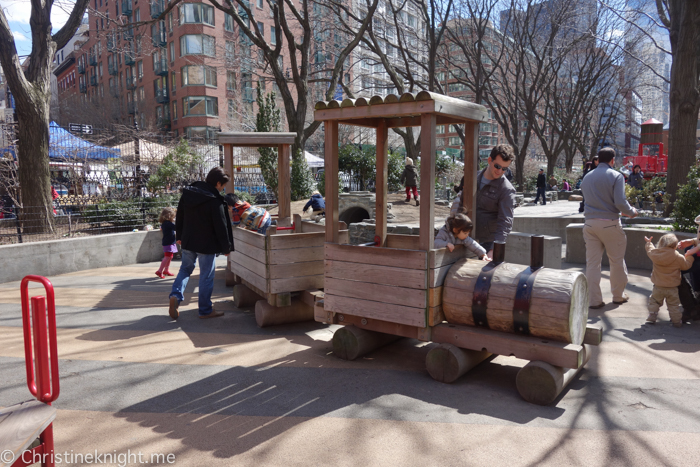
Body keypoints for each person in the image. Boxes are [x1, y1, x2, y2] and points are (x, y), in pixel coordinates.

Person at [168, 167, 234, 320]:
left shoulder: (189, 193)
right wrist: (226, 247)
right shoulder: (214, 200)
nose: (223, 189)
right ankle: (205, 310)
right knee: (206, 275)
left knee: (185, 270)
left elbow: (180, 215)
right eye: (223, 186)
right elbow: (221, 226)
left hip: (188, 240)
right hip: (206, 244)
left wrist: (179, 235)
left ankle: (175, 296)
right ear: (218, 183)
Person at [580, 147, 638, 309]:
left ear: (598, 159)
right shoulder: (616, 176)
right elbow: (620, 202)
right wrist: (632, 212)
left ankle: (594, 300)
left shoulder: (587, 177)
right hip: (610, 223)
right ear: (613, 160)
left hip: (590, 223)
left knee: (592, 264)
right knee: (616, 261)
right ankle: (618, 296)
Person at [451, 144, 517, 258]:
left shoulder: (506, 189)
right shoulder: (472, 178)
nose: (500, 171)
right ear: (489, 160)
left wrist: (494, 249)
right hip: (463, 238)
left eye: (505, 169)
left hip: (486, 245)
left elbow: (505, 223)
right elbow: (460, 207)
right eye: (497, 166)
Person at [645, 234, 696, 327]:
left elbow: (649, 250)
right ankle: (676, 321)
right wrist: (690, 256)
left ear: (660, 244)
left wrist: (649, 243)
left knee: (654, 301)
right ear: (675, 245)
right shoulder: (677, 256)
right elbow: (686, 266)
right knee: (673, 305)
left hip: (658, 286)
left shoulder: (655, 254)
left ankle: (652, 316)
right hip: (672, 287)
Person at [156, 207, 177, 279]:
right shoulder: (168, 223)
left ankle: (166, 270)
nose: (174, 217)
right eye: (173, 216)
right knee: (167, 256)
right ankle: (160, 271)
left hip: (168, 242)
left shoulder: (165, 223)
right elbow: (176, 228)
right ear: (169, 216)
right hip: (169, 242)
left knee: (170, 256)